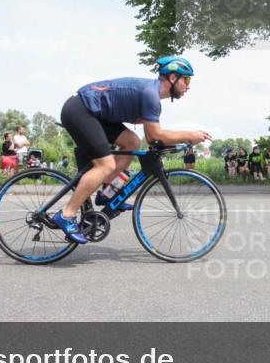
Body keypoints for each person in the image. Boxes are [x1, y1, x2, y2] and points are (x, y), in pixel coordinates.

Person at [53, 56, 209, 243]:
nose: (188, 86)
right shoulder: (150, 95)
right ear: (173, 78)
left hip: (96, 115)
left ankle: (107, 193)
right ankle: (66, 214)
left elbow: (152, 138)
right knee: (105, 165)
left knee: (132, 142)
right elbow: (155, 135)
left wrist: (179, 142)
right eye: (187, 79)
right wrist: (190, 135)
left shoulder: (152, 97)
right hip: (81, 110)